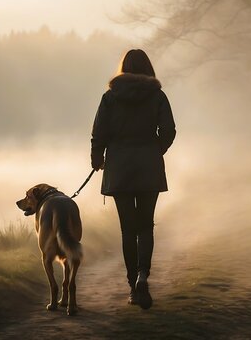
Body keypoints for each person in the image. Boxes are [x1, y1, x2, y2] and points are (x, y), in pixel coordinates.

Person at [90, 49, 176, 310]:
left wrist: (97, 161)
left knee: (128, 229)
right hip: (148, 166)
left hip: (119, 167)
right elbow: (169, 130)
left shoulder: (110, 97)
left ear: (123, 68)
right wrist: (154, 150)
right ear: (148, 68)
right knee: (146, 225)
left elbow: (99, 132)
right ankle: (142, 276)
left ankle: (132, 286)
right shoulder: (158, 96)